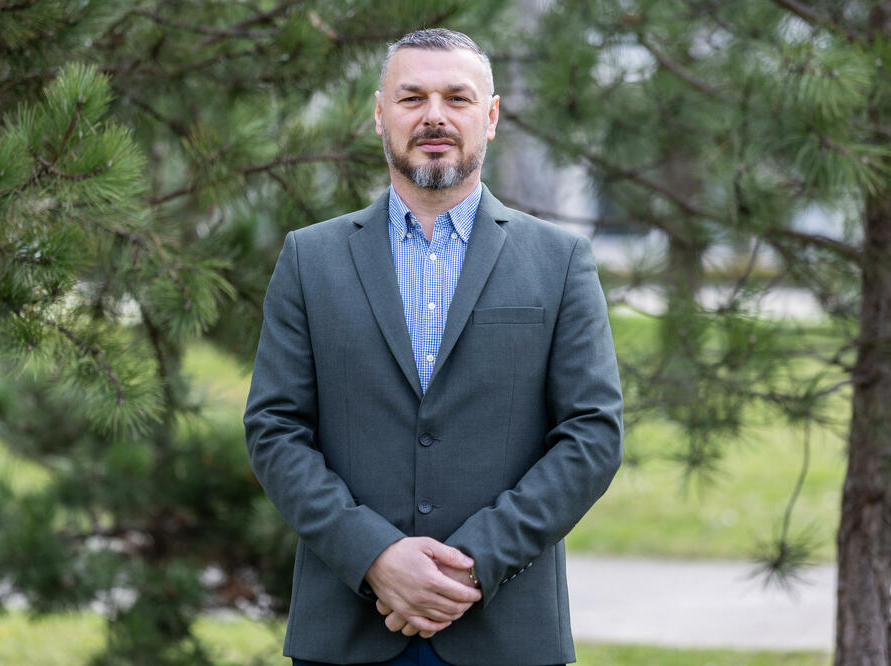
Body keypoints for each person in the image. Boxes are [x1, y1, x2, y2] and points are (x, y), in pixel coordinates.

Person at [244, 28, 623, 666]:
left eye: (458, 97)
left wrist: (472, 564)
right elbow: (274, 429)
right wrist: (374, 555)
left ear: (491, 116)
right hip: (346, 631)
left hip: (505, 632)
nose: (435, 116)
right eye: (412, 97)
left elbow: (593, 435)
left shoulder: (559, 262)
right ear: (379, 113)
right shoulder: (310, 259)